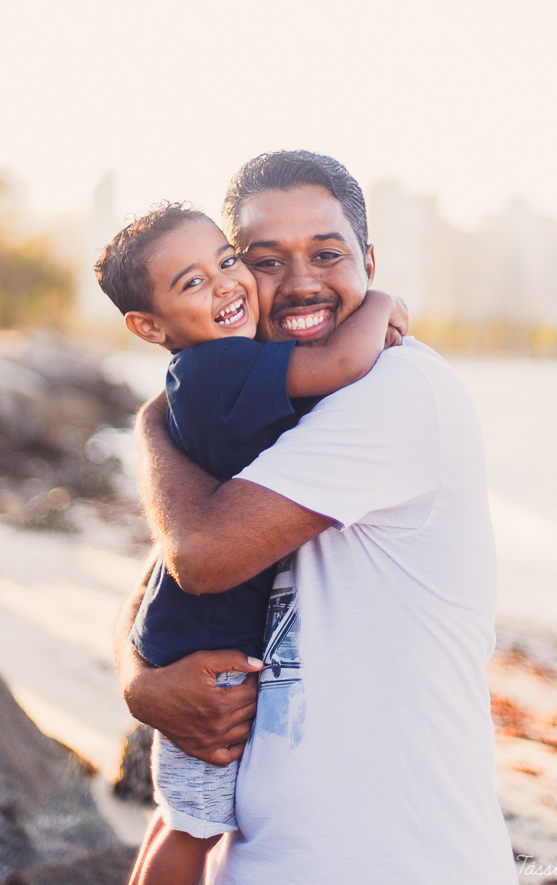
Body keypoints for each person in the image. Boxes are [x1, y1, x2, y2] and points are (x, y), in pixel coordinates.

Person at [116, 150, 518, 885]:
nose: (301, 282)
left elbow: (200, 554)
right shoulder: (263, 415)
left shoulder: (397, 392)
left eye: (326, 254)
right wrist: (141, 682)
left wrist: (152, 425)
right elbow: (161, 575)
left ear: (368, 261)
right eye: (267, 261)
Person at [95, 200, 408, 885]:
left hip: (187, 633)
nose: (226, 285)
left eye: (227, 262)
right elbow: (337, 364)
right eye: (192, 283)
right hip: (207, 650)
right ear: (149, 326)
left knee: (180, 815)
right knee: (195, 827)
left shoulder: (210, 373)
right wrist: (379, 298)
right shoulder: (219, 370)